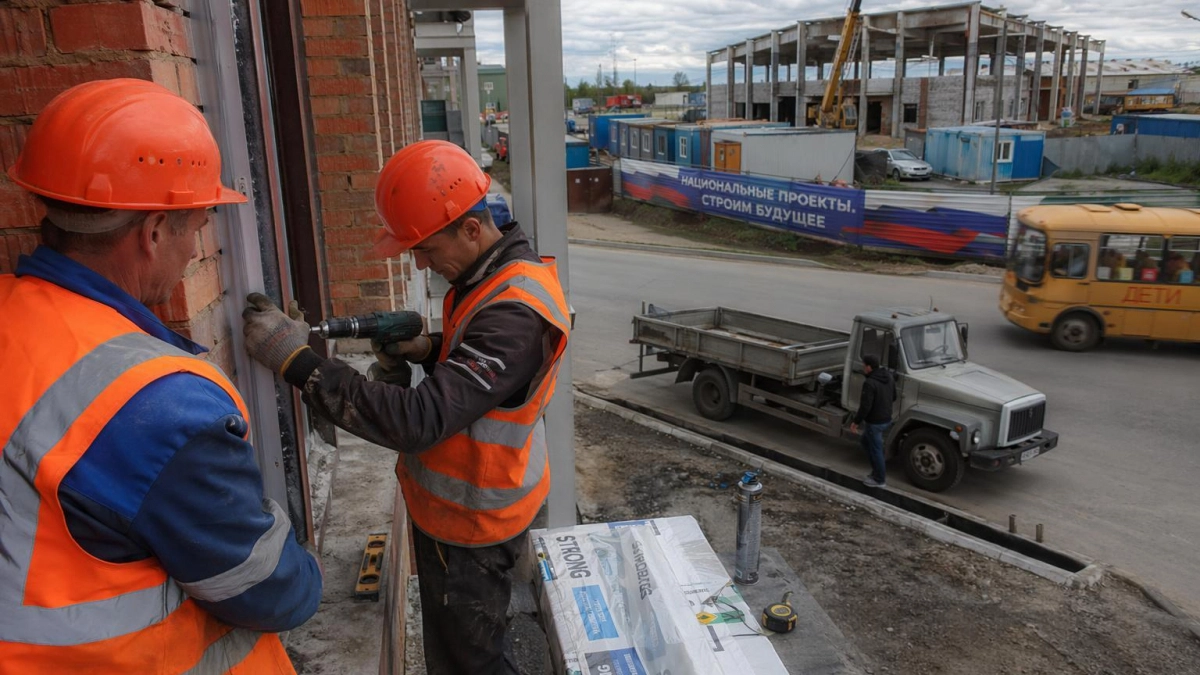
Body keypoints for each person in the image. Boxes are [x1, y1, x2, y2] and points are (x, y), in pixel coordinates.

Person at [0, 79, 322, 673]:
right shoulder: (154, 405)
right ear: (152, 233)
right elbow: (277, 592)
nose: (195, 252)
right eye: (195, 228)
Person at [241, 140, 571, 674]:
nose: (419, 261)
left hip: (473, 526)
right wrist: (431, 349)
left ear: (470, 228)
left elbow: (419, 421)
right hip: (465, 513)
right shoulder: (490, 272)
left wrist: (296, 362)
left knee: (472, 665)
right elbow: (491, 374)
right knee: (471, 653)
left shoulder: (515, 311)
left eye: (425, 246)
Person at [849, 354, 895, 488]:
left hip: (875, 421)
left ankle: (879, 479)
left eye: (864, 366)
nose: (863, 368)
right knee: (865, 441)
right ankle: (876, 471)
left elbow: (865, 406)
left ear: (869, 367)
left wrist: (856, 421)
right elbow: (894, 396)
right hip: (886, 418)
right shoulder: (889, 377)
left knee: (876, 449)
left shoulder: (869, 383)